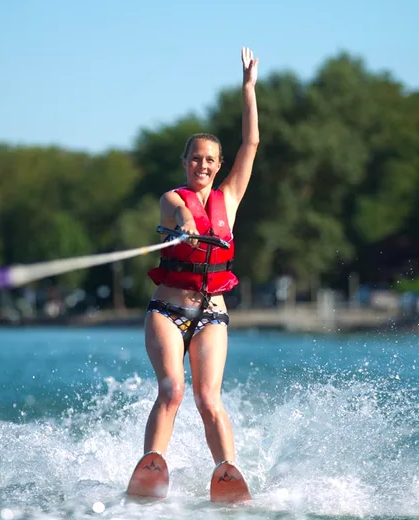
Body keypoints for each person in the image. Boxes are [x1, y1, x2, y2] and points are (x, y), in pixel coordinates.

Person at [141, 47, 259, 469]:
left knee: (208, 398)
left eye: (210, 160)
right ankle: (152, 466)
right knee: (172, 389)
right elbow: (177, 210)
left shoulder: (230, 197)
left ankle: (227, 473)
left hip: (212, 313)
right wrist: (186, 222)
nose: (202, 165)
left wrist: (248, 89)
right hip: (168, 309)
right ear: (185, 163)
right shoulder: (173, 198)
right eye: (196, 159)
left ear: (220, 164)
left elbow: (252, 141)